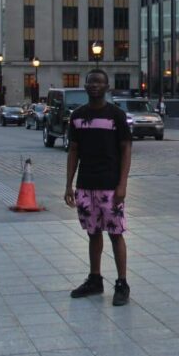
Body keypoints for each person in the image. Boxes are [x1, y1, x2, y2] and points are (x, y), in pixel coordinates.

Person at [65, 69, 134, 306]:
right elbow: (73, 150)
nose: (94, 85)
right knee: (92, 232)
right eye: (91, 82)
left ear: (107, 87)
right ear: (85, 86)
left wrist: (122, 184)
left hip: (110, 186)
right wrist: (69, 185)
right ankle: (95, 279)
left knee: (115, 234)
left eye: (99, 82)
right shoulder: (77, 116)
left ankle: (122, 283)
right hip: (86, 184)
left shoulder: (116, 115)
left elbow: (126, 148)